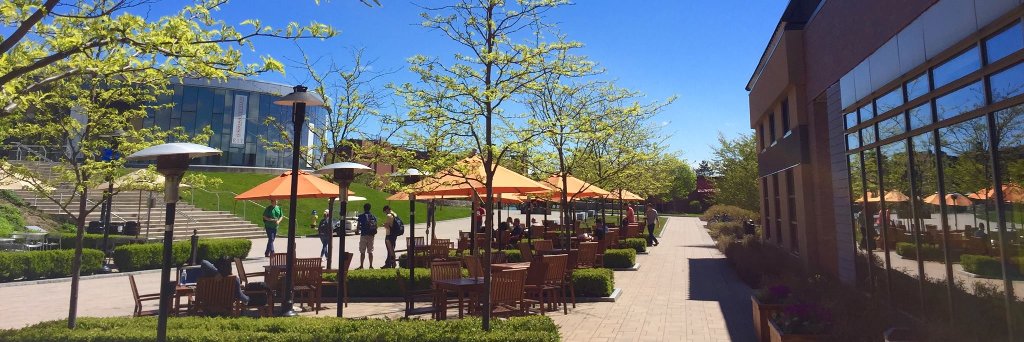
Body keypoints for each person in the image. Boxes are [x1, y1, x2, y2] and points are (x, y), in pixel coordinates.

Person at [356, 203, 378, 269]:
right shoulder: (373, 216)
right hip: (371, 235)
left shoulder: (361, 216)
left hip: (364, 235)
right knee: (370, 251)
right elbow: (376, 226)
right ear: (370, 208)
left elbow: (358, 225)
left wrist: (357, 231)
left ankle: (361, 265)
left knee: (362, 251)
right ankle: (370, 265)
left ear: (364, 208)